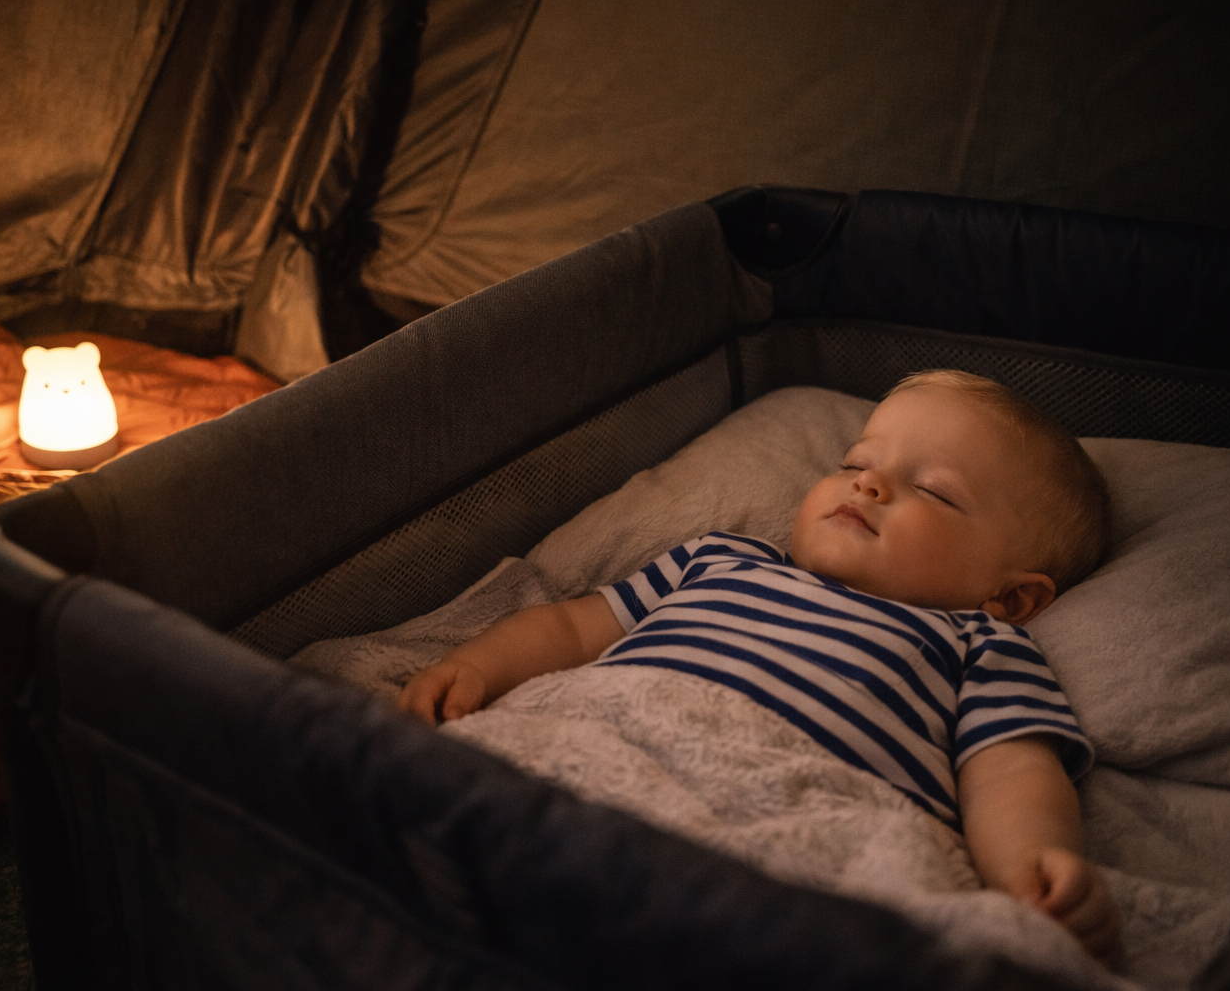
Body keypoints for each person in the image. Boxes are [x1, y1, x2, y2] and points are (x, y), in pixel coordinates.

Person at [397, 369, 1121, 961]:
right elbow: (570, 626)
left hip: (799, 802)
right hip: (605, 731)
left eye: (933, 490)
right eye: (855, 463)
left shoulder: (979, 644)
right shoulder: (721, 560)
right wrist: (477, 668)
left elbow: (1011, 771)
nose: (867, 485)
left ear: (1012, 595)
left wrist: (1033, 867)